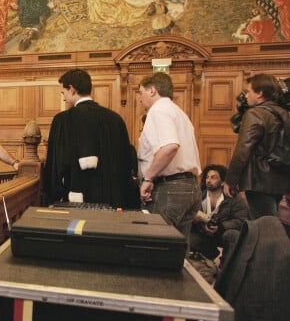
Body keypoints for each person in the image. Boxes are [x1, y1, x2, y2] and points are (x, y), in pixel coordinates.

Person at [44, 69, 139, 208]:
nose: (64, 98)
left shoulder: (64, 120)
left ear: (71, 89)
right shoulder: (115, 119)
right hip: (113, 200)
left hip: (79, 199)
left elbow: (56, 165)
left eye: (63, 92)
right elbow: (126, 161)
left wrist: (54, 196)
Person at [137, 72, 202, 246]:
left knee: (155, 247)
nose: (140, 99)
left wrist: (148, 177)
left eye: (141, 93)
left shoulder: (158, 110)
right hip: (190, 187)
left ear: (152, 91)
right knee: (178, 251)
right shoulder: (179, 113)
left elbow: (170, 146)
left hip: (170, 189)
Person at [224, 73, 290, 219]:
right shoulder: (286, 113)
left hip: (259, 178)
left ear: (260, 94)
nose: (246, 96)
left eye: (249, 91)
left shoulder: (255, 114)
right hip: (282, 176)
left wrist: (230, 180)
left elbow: (242, 151)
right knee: (271, 221)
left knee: (264, 226)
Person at [190, 164, 248, 263]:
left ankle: (226, 267)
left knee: (233, 235)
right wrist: (194, 220)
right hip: (201, 232)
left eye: (213, 178)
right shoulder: (198, 195)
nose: (208, 180)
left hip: (222, 233)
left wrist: (221, 227)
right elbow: (187, 214)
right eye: (207, 177)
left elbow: (241, 220)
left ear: (222, 182)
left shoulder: (233, 198)